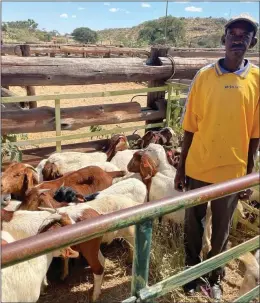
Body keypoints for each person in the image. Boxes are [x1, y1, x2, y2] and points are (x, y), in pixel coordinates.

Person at [174, 14, 259, 300]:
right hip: (199, 164)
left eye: (245, 34)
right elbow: (189, 126)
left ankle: (215, 276)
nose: (238, 38)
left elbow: (255, 134)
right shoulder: (204, 76)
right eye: (233, 33)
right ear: (223, 39)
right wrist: (181, 167)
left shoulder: (257, 79)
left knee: (221, 231)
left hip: (232, 172)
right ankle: (190, 274)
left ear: (252, 42)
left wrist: (249, 173)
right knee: (193, 225)